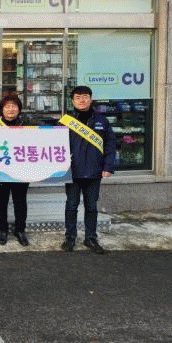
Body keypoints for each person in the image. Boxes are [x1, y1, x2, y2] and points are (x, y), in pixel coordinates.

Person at [59, 86, 116, 254]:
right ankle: (70, 237)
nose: (81, 100)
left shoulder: (102, 121)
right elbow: (56, 145)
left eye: (85, 97)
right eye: (77, 97)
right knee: (71, 206)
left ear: (90, 99)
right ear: (72, 101)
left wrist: (108, 166)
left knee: (91, 206)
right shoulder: (65, 121)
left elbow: (110, 145)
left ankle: (91, 238)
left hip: (94, 171)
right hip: (72, 171)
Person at [0, 94, 30, 246]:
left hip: (21, 169)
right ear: (2, 109)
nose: (11, 109)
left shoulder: (27, 125)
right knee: (1, 200)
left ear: (19, 109)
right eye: (7, 106)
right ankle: (3, 229)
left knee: (20, 201)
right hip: (0, 169)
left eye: (14, 106)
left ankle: (20, 230)